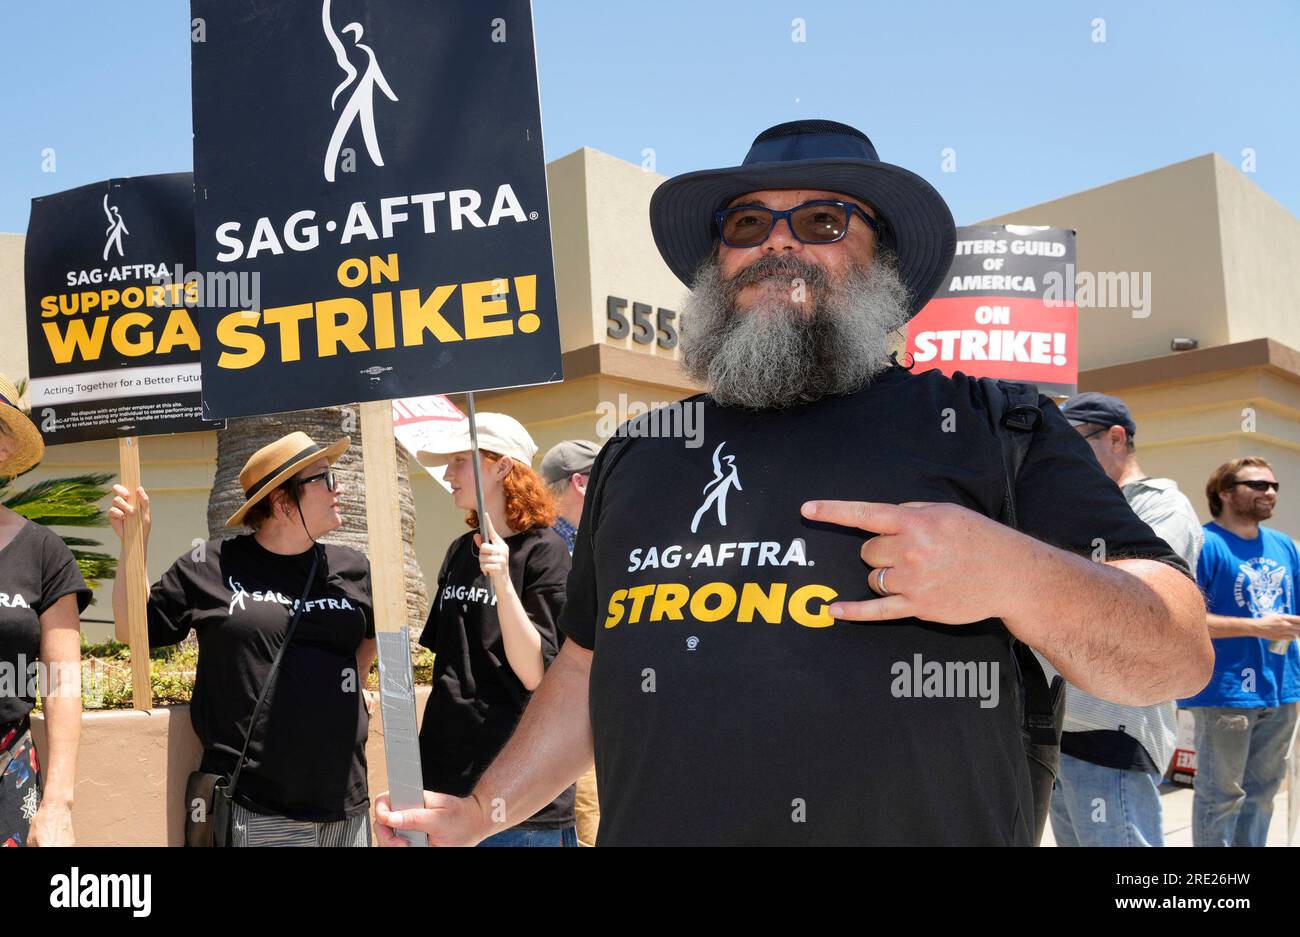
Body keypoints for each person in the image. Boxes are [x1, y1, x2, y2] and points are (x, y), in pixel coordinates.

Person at [376, 119, 1212, 847]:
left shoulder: (991, 422)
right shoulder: (641, 452)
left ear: (880, 257)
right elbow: (586, 671)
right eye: (747, 222)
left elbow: (1174, 651)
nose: (778, 242)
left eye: (820, 219)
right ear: (718, 263)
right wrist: (483, 810)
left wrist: (1012, 572)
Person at [108, 431, 376, 847]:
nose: (338, 488)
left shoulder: (353, 568)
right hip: (258, 806)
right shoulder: (210, 565)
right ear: (283, 502)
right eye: (323, 478)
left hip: (346, 803)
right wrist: (134, 544)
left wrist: (353, 682)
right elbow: (133, 630)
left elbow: (373, 634)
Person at [1046, 392, 1204, 846]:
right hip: (1064, 721)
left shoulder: (1163, 506)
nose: (1060, 454)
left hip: (1115, 726)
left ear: (1116, 438)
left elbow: (1131, 598)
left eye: (1073, 441)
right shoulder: (1079, 502)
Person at [413, 414, 575, 846]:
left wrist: (502, 581)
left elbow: (536, 674)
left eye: (460, 460)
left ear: (503, 467)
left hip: (517, 795)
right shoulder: (457, 551)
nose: (447, 474)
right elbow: (448, 664)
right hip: (446, 783)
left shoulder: (546, 551)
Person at [1180, 456, 1300, 846]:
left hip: (1282, 688)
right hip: (1227, 693)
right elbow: (1188, 620)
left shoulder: (1284, 545)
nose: (1270, 493)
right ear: (1225, 493)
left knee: (1262, 797)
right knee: (1222, 798)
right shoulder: (1205, 544)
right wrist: (1257, 627)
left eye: (1274, 486)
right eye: (1259, 485)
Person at [0, 374, 89, 847]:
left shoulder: (43, 552)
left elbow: (63, 683)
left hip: (7, 778)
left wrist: (57, 804)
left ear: (3, 451)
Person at [540, 439, 601, 844]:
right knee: (589, 817)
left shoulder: (555, 546)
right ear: (581, 482)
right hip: (576, 714)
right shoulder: (558, 551)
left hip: (590, 713)